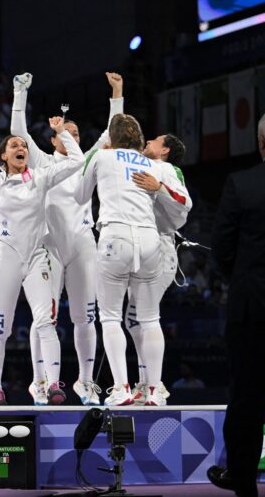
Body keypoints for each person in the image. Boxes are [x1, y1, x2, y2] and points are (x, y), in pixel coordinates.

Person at [11, 71, 124, 405]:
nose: (71, 135)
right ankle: (40, 381)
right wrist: (20, 94)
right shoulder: (43, 162)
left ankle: (86, 382)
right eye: (64, 132)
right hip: (50, 247)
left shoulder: (88, 159)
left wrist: (117, 92)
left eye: (75, 132)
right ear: (53, 140)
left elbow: (111, 131)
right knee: (45, 316)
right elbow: (18, 132)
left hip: (82, 245)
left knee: (85, 317)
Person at [0, 115, 83, 405]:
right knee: (0, 328)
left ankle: (53, 385)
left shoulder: (41, 177)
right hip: (7, 257)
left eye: (24, 145)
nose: (21, 148)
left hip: (38, 257)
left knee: (46, 323)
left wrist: (62, 132)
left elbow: (77, 161)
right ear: (4, 155)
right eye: (14, 145)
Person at [75, 113, 171, 406]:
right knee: (150, 318)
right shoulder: (152, 163)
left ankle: (122, 388)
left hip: (115, 238)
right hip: (150, 239)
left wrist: (99, 161)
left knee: (111, 318)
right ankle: (154, 391)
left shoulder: (102, 158)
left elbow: (80, 196)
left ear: (111, 138)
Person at [208, 109, 265, 497]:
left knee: (246, 397)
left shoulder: (242, 184)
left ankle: (243, 480)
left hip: (253, 309)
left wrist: (247, 281)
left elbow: (221, 251)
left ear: (261, 143)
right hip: (253, 303)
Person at [126, 132, 191, 406]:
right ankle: (146, 382)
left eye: (154, 141)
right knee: (133, 319)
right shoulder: (148, 166)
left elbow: (184, 205)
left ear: (164, 150)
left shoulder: (166, 169)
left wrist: (159, 188)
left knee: (148, 318)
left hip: (161, 248)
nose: (147, 142)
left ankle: (155, 386)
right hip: (141, 249)